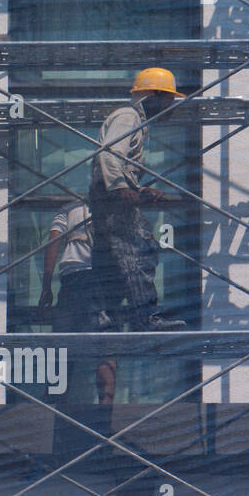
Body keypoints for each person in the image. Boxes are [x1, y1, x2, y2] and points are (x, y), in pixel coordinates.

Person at [88, 67, 187, 331]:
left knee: (116, 260)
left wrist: (139, 191)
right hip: (111, 200)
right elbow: (107, 155)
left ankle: (104, 315)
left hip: (109, 197)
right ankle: (146, 318)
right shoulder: (129, 116)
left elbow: (117, 163)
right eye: (167, 99)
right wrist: (121, 188)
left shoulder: (137, 122)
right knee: (140, 252)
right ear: (153, 95)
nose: (169, 106)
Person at [37, 196, 112, 333]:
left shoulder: (69, 208)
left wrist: (46, 287)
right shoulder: (114, 204)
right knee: (99, 331)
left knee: (65, 331)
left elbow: (53, 242)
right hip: (101, 276)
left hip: (72, 277)